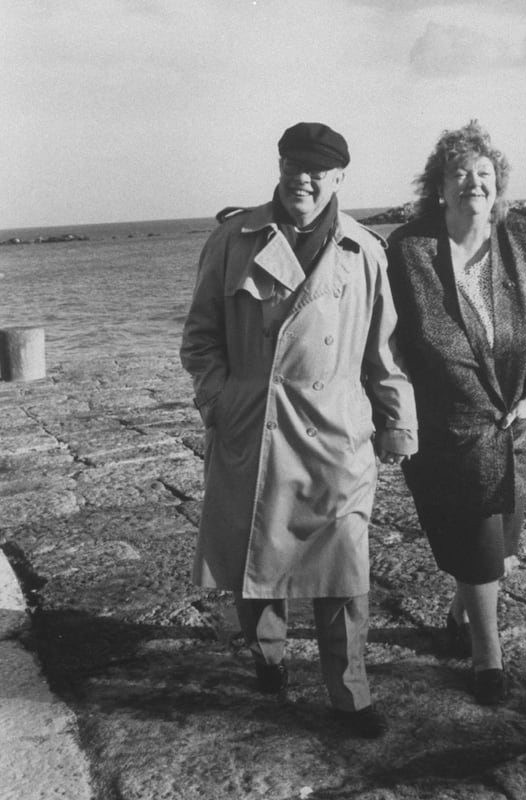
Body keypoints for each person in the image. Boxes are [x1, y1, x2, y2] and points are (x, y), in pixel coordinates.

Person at [180, 122, 417, 738]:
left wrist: (398, 423)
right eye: (292, 165)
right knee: (257, 556)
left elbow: (384, 353)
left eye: (317, 170)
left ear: (340, 177)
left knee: (343, 568)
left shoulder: (365, 249)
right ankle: (268, 657)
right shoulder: (235, 238)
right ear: (279, 166)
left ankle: (351, 696)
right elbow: (200, 338)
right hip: (253, 426)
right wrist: (222, 401)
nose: (302, 179)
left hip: (335, 436)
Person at [386, 121, 526, 705]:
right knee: (481, 551)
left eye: (485, 174)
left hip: (511, 429)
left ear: (499, 187)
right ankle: (487, 659)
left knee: (501, 555)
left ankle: (457, 614)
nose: (474, 182)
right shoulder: (409, 250)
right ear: (438, 187)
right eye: (460, 173)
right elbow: (385, 340)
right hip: (445, 432)